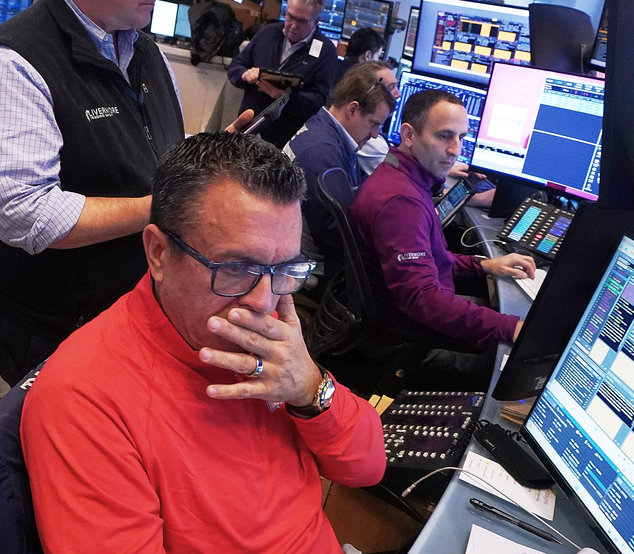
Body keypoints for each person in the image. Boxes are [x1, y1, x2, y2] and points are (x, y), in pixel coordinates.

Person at [21, 131, 385, 551]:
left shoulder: (273, 343)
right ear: (158, 253)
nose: (264, 301)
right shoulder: (84, 397)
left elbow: (367, 468)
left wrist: (310, 390)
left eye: (284, 269)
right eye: (235, 268)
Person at [0, 0, 250, 386]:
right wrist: (165, 206)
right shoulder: (14, 63)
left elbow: (148, 153)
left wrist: (203, 166)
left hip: (133, 318)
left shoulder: (144, 52)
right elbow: (26, 215)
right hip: (59, 336)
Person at [348, 89, 535, 361]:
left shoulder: (401, 176)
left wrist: (483, 265)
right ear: (409, 135)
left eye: (461, 137)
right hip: (408, 338)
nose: (455, 150)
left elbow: (429, 260)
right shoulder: (401, 203)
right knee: (514, 357)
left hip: (404, 318)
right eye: (444, 136)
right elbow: (422, 299)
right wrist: (511, 328)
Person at [284, 62, 395, 282]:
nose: (375, 134)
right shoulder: (322, 152)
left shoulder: (324, 129)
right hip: (315, 268)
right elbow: (340, 233)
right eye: (373, 124)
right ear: (352, 109)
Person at [227, 0, 339, 148]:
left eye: (301, 21)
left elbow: (318, 101)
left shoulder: (325, 51)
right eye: (290, 17)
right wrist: (245, 74)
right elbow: (235, 67)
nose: (293, 25)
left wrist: (286, 97)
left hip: (286, 140)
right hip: (248, 128)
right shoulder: (268, 33)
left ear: (316, 22)